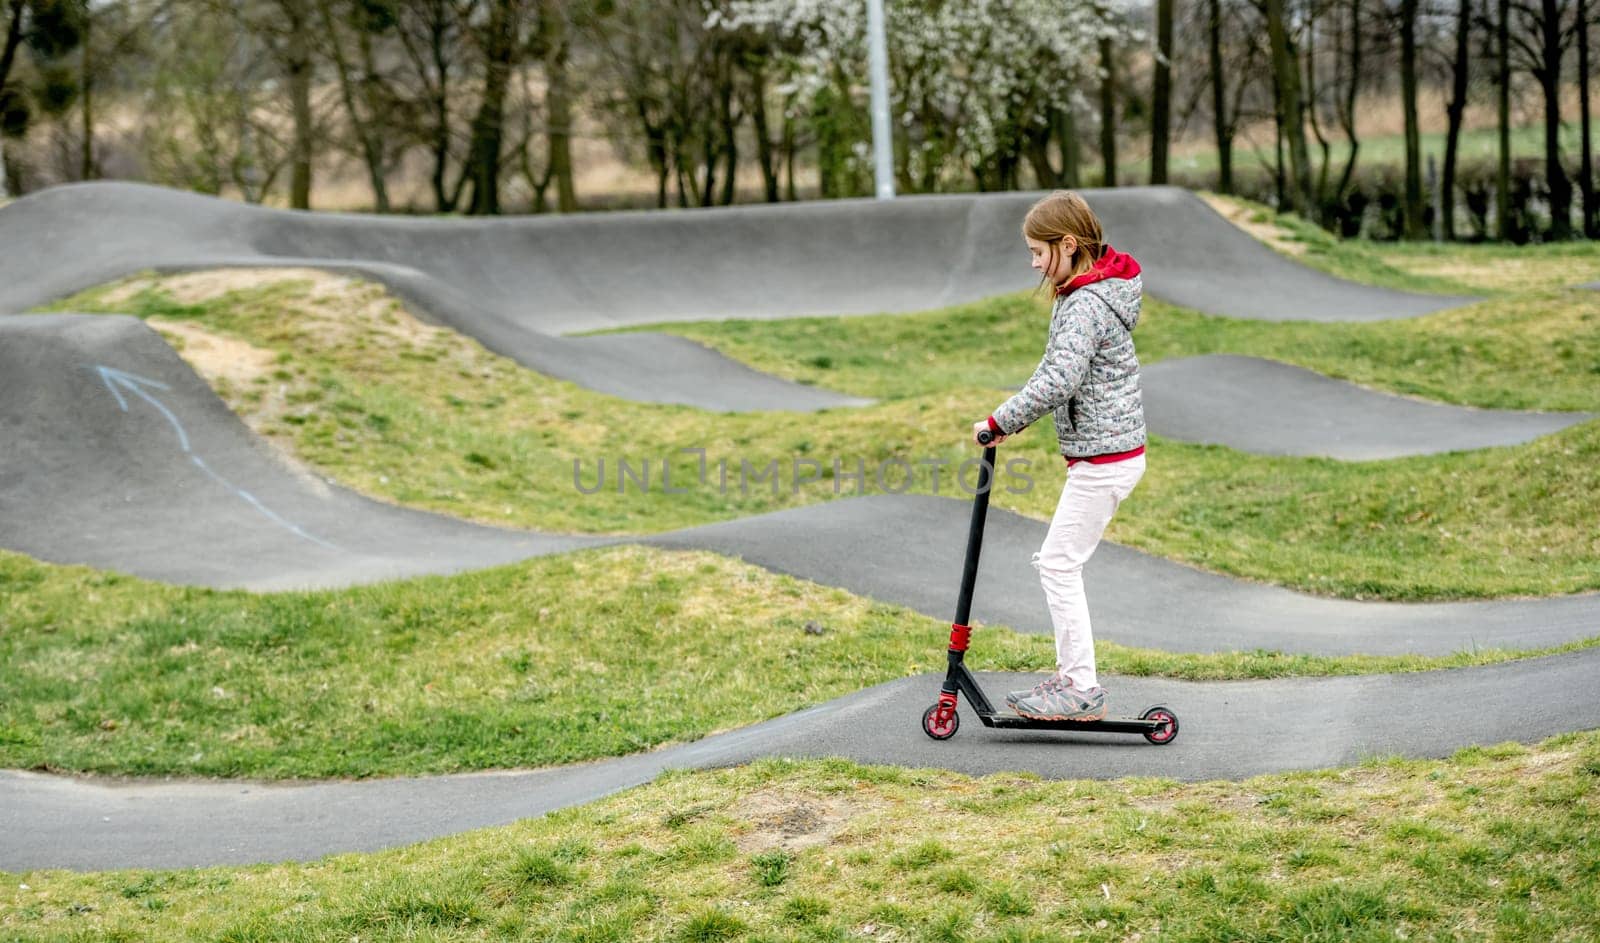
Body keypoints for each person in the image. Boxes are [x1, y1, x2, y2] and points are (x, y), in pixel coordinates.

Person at [971, 190, 1146, 722]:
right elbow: (1058, 375)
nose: (1033, 263)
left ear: (1068, 245)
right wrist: (1009, 423)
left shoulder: (1087, 304)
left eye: (1037, 251)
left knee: (1057, 565)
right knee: (1059, 563)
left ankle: (1079, 687)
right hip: (1108, 455)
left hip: (1106, 460)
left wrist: (1001, 420)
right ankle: (1076, 679)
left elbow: (1059, 379)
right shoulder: (1090, 292)